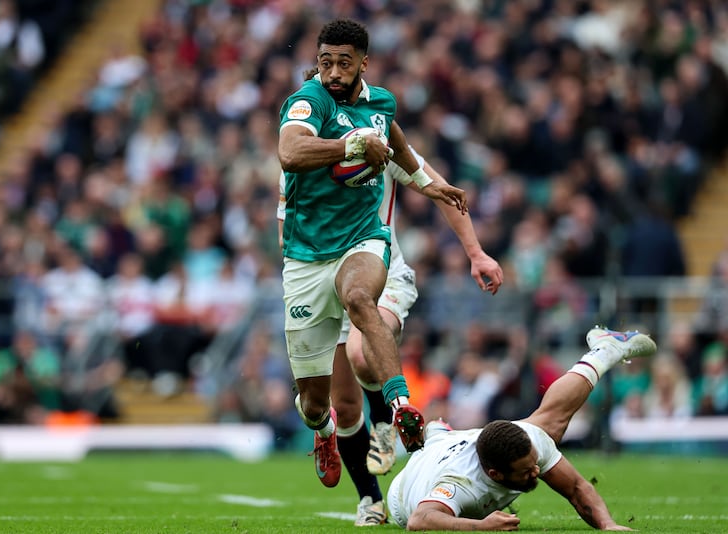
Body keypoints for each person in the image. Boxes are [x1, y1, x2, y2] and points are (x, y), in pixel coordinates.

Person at [277, 18, 467, 490]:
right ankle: (322, 433)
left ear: (364, 63)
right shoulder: (307, 102)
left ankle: (400, 408)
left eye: (344, 63)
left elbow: (400, 147)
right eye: (326, 63)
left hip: (363, 240)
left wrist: (431, 186)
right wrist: (353, 144)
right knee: (317, 403)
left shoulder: (380, 104)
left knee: (361, 297)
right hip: (306, 258)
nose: (334, 72)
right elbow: (289, 153)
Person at [277, 153, 503, 524]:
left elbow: (441, 190)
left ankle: (385, 421)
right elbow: (284, 227)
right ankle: (369, 496)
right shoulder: (300, 154)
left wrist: (475, 253)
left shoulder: (378, 139)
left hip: (381, 273)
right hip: (323, 283)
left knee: (363, 355)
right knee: (337, 407)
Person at [387, 326, 657, 531]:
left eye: (533, 463)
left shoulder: (532, 444)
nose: (537, 471)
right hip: (403, 494)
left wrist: (608, 525)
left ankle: (606, 349)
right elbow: (418, 519)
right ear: (495, 474)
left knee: (550, 424)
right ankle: (425, 433)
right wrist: (481, 526)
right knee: (549, 423)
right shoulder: (461, 484)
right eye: (527, 471)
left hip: (454, 443)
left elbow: (577, 488)